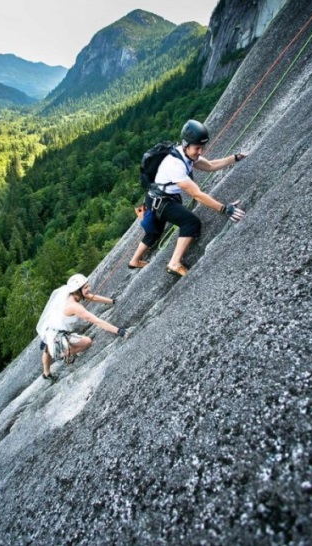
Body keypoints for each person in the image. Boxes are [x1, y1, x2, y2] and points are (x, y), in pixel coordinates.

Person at [128, 119, 247, 276]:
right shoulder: (175, 165)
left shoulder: (186, 155)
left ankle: (134, 261)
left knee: (154, 233)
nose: (200, 152)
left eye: (201, 147)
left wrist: (235, 157)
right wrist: (225, 209)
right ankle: (174, 263)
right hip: (162, 202)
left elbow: (211, 166)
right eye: (197, 148)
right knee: (190, 223)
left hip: (155, 199)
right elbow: (197, 194)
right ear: (186, 145)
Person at [37, 273, 129, 381]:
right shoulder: (75, 307)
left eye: (88, 285)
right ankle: (61, 354)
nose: (89, 288)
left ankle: (46, 373)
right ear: (77, 291)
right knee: (87, 342)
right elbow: (96, 321)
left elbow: (92, 297)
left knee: (47, 348)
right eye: (86, 287)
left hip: (50, 327)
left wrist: (112, 301)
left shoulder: (69, 293)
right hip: (57, 334)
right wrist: (118, 331)